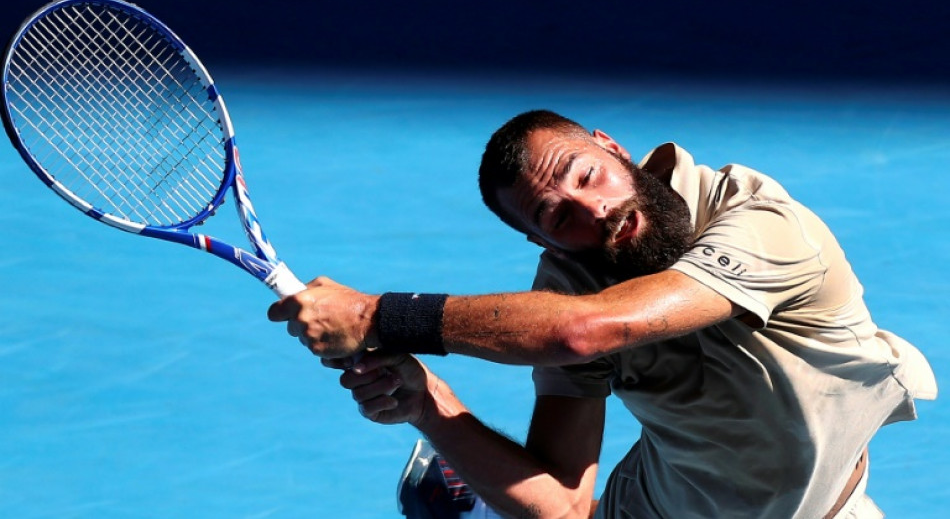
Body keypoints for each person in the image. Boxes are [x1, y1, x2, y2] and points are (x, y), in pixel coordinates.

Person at [267, 110, 938, 518]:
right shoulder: (569, 282)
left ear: (612, 147)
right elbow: (561, 503)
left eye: (586, 176)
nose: (593, 209)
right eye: (557, 215)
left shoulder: (760, 220)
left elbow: (585, 330)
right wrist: (427, 402)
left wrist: (381, 314)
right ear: (544, 241)